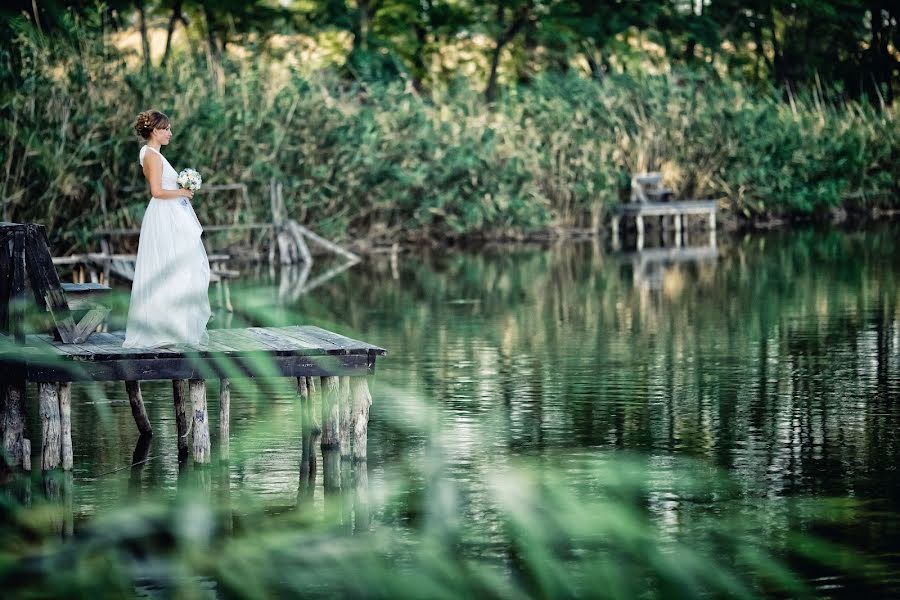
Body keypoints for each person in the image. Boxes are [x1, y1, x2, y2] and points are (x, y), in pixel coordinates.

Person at [123, 110, 211, 348]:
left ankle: (174, 328)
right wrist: (182, 191)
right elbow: (157, 191)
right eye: (166, 129)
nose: (170, 133)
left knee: (178, 267)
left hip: (170, 214)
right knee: (169, 266)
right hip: (163, 216)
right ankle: (164, 329)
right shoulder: (151, 155)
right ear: (154, 131)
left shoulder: (155, 154)